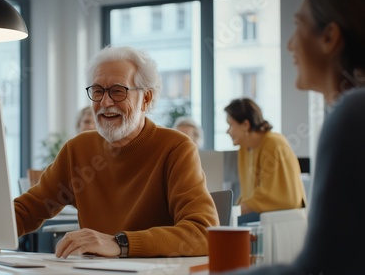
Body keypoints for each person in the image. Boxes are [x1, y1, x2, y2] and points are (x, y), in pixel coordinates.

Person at [15, 45, 219, 259]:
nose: (105, 102)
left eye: (118, 91)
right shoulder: (77, 149)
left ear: (146, 99)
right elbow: (28, 210)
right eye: (97, 91)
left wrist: (119, 243)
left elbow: (203, 233)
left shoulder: (175, 147)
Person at [222, 0, 365, 274]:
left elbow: (314, 264)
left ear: (329, 37)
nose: (289, 44)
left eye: (298, 26)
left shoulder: (352, 114)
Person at [224, 98, 306, 224]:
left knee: (226, 225)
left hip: (282, 214)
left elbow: (273, 196)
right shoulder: (245, 148)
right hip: (263, 213)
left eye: (230, 125)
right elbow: (249, 195)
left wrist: (234, 211)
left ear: (245, 124)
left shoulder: (274, 143)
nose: (227, 131)